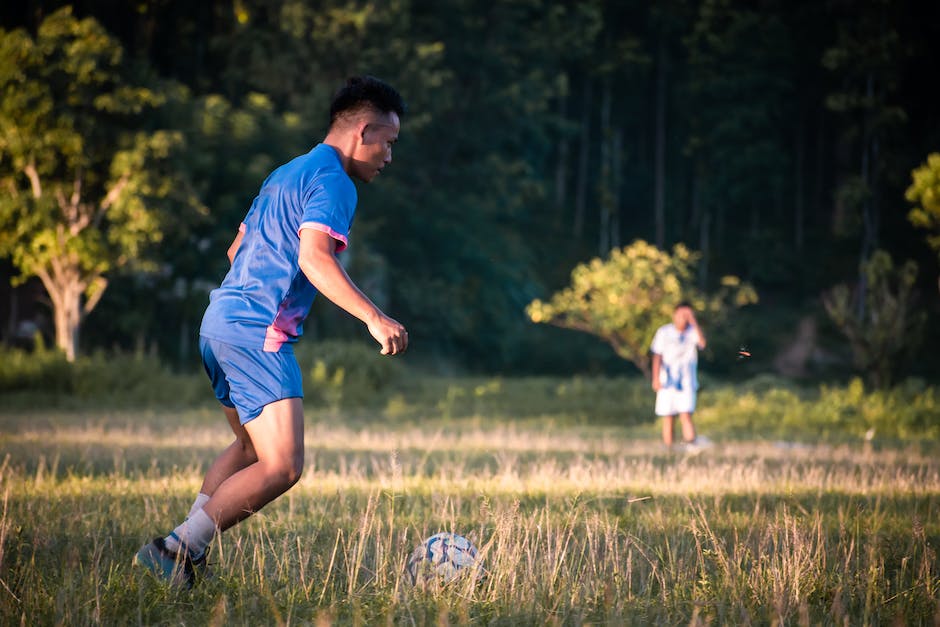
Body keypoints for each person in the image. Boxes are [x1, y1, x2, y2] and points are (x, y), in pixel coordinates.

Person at [133, 76, 409, 587]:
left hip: (218, 323)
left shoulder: (286, 172)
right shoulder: (334, 181)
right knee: (283, 466)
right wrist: (374, 316)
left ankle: (184, 559)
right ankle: (175, 549)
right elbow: (313, 257)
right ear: (363, 130)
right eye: (388, 143)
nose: (388, 158)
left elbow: (237, 251)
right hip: (257, 333)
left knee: (248, 450)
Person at [650, 302, 706, 449]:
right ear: (674, 315)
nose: (683, 318)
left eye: (686, 315)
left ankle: (691, 446)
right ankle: (669, 448)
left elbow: (702, 343)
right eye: (681, 315)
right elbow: (657, 355)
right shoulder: (664, 332)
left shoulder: (692, 331)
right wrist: (655, 378)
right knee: (668, 416)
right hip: (667, 381)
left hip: (687, 381)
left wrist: (693, 320)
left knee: (685, 414)